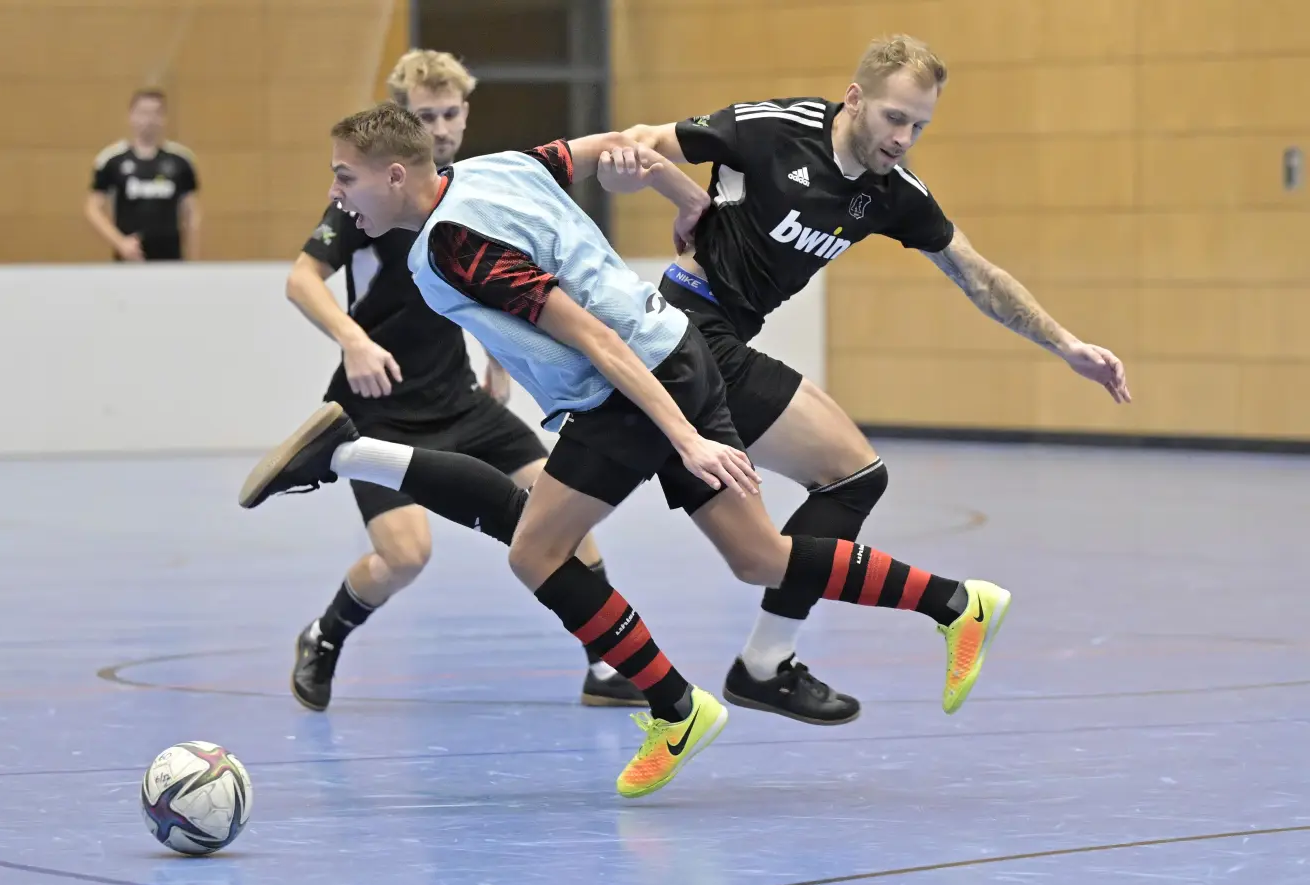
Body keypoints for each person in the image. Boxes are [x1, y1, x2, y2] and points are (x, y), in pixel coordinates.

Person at [238, 103, 1013, 799]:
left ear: (396, 174)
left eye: (346, 178)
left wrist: (682, 434)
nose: (339, 194)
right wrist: (689, 199)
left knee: (536, 551)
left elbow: (591, 335)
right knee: (759, 558)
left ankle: (675, 707)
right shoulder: (496, 168)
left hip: (632, 389)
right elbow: (613, 147)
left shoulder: (448, 247)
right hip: (678, 350)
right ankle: (957, 602)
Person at [604, 33, 1130, 725]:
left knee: (754, 559)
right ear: (855, 99)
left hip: (698, 348)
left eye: (920, 125)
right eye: (893, 117)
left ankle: (742, 676)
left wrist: (1065, 344)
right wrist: (627, 173)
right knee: (855, 477)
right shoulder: (772, 129)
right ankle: (908, 617)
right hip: (689, 333)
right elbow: (635, 145)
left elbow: (979, 275)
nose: (904, 137)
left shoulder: (892, 195)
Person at [283, 49, 640, 712]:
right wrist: (354, 339)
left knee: (563, 506)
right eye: (425, 115)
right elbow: (302, 280)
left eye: (450, 113)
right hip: (377, 407)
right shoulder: (366, 200)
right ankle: (325, 635)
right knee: (405, 557)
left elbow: (503, 288)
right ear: (399, 125)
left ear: (466, 115)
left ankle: (606, 664)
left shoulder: (473, 191)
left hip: (460, 400)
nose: (440, 127)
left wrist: (499, 361)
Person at [85, 88, 201, 262]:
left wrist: (195, 260)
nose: (149, 120)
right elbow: (92, 208)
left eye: (156, 113)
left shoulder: (181, 161)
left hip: (171, 260)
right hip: (130, 261)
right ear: (131, 116)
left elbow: (192, 213)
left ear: (164, 118)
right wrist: (120, 243)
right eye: (143, 113)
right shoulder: (112, 160)